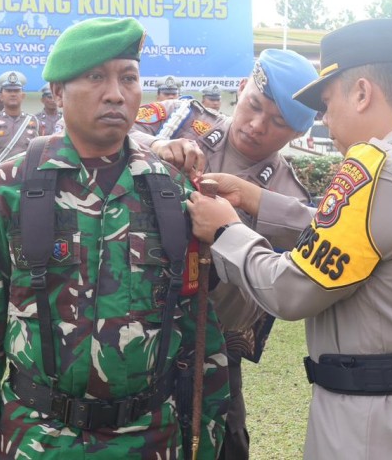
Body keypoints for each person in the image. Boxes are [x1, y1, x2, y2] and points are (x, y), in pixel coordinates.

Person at [188, 19, 392, 459]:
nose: (326, 120)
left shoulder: (376, 168)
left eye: (328, 102)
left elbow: (290, 290)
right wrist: (262, 201)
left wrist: (225, 230)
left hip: (384, 424)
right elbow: (371, 233)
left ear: (362, 93)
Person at [0, 16, 229, 459]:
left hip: (152, 441)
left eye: (129, 77)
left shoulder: (173, 193)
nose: (116, 93)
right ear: (58, 92)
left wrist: (208, 440)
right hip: (39, 442)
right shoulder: (5, 190)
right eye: (96, 76)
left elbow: (200, 335)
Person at [133, 48, 319, 460]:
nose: (256, 126)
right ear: (241, 87)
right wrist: (157, 147)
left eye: (278, 123)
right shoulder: (178, 118)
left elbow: (317, 236)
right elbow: (98, 130)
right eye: (254, 105)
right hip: (131, 323)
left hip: (210, 342)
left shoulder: (285, 193)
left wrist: (252, 208)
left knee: (226, 442)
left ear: (296, 135)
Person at [0, 71, 40, 174]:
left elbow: (38, 154)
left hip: (25, 177)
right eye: (9, 90)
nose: (13, 94)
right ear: (1, 96)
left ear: (23, 95)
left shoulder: (33, 121)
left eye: (16, 91)